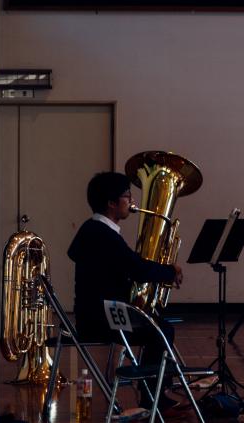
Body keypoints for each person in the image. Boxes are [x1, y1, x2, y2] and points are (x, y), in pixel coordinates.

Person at [68, 171, 183, 412]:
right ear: (111, 203)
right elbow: (136, 268)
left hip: (97, 314)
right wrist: (169, 271)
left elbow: (127, 265)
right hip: (101, 319)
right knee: (161, 330)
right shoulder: (102, 234)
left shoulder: (95, 230)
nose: (132, 202)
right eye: (127, 196)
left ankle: (153, 393)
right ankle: (152, 398)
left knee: (158, 326)